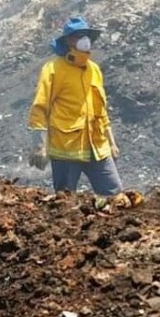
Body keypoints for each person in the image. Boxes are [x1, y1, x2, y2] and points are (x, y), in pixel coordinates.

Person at [27, 16, 123, 196]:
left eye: (86, 35)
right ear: (69, 40)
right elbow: (40, 107)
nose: (85, 40)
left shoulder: (93, 69)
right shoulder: (54, 69)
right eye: (79, 36)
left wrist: (111, 142)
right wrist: (39, 144)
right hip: (66, 148)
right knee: (65, 199)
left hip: (97, 146)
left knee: (115, 195)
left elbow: (101, 109)